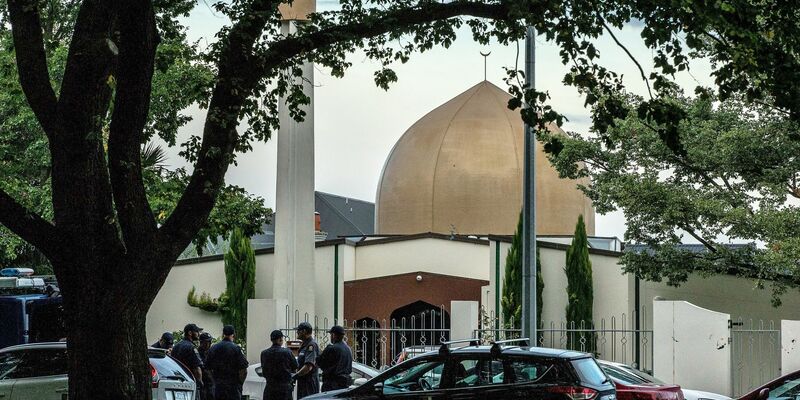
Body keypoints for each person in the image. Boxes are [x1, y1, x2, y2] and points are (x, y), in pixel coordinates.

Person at [205, 325, 249, 400]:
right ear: (234, 334)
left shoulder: (213, 348)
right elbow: (244, 370)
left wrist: (214, 381)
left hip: (218, 387)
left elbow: (207, 369)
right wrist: (239, 383)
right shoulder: (236, 348)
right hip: (233, 387)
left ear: (223, 334)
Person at [261, 330, 298, 400]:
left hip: (269, 388)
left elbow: (264, 370)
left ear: (271, 339)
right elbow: (295, 366)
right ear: (280, 339)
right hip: (284, 390)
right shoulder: (287, 352)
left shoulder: (264, 353)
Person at [318, 325, 353, 392]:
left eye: (331, 334)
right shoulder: (348, 349)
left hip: (332, 385)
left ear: (333, 335)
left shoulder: (332, 348)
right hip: (344, 384)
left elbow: (321, 363)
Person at [171, 324, 204, 391]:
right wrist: (200, 382)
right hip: (190, 381)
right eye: (197, 331)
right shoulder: (191, 347)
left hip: (177, 380)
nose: (198, 334)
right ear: (190, 333)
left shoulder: (176, 346)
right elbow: (197, 368)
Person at [292, 322, 320, 399]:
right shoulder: (305, 344)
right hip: (303, 382)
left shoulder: (311, 345)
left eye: (298, 330)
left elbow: (308, 366)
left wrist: (295, 376)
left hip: (309, 383)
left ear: (304, 331)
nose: (297, 332)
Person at [198, 332, 215, 400]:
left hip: (211, 384)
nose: (210, 344)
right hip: (203, 385)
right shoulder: (197, 354)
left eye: (210, 341)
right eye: (208, 342)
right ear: (202, 342)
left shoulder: (210, 352)